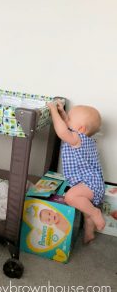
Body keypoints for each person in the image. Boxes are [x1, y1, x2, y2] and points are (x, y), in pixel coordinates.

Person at [47, 100, 105, 243]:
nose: (67, 121)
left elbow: (61, 130)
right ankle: (89, 232)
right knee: (85, 208)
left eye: (70, 119)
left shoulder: (76, 139)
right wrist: (63, 113)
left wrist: (53, 110)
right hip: (93, 181)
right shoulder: (85, 138)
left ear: (81, 129)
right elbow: (67, 124)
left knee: (70, 197)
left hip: (90, 182)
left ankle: (95, 212)